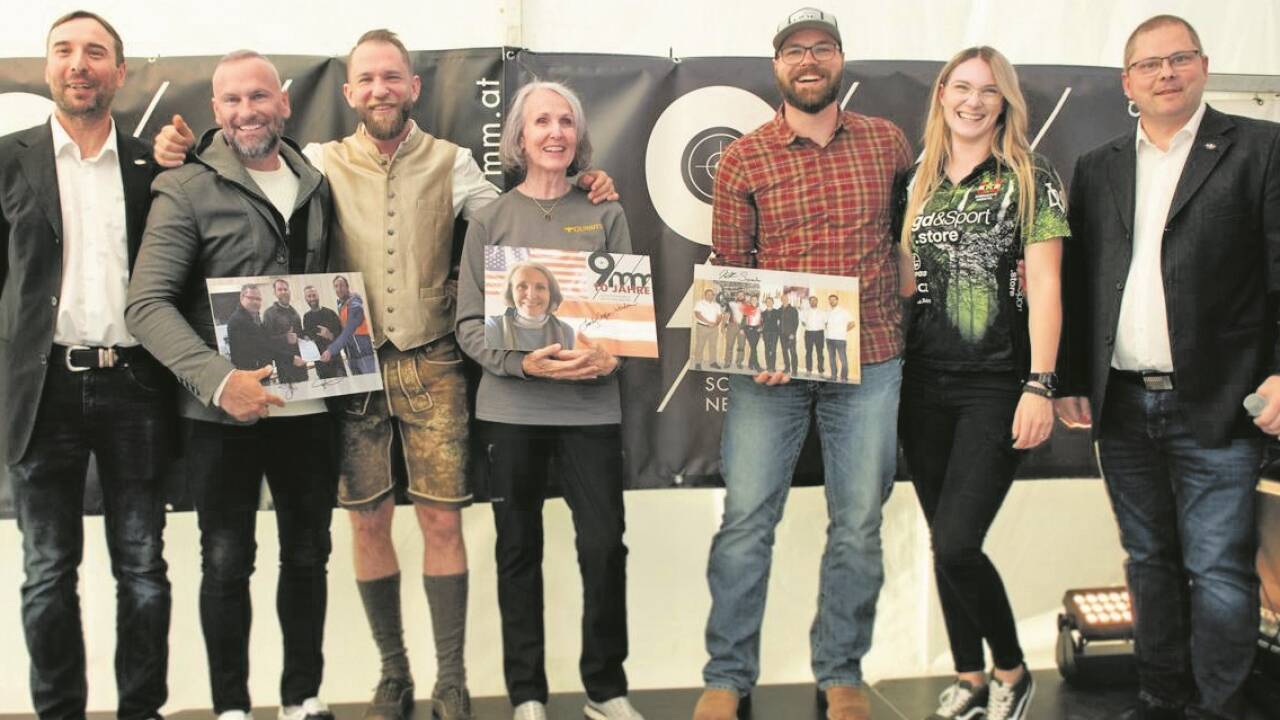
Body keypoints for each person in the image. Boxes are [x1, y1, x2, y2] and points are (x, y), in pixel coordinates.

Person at [150, 28, 618, 720]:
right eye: (366, 80)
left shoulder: (455, 161)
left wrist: (580, 184)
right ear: (347, 93)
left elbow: (521, 225)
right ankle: (393, 673)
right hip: (350, 369)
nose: (379, 91)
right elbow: (240, 167)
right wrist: (178, 152)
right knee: (366, 523)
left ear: (414, 87)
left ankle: (451, 681)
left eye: (391, 78)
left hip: (434, 359)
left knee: (441, 522)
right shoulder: (315, 162)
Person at [1057, 14, 1280, 720]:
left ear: (1204, 66)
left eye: (1178, 59)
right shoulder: (1098, 166)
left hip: (1219, 400)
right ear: (1127, 82)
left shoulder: (1261, 150)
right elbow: (1083, 280)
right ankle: (1160, 698)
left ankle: (1220, 707)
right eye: (1149, 65)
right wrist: (1068, 378)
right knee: (1148, 562)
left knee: (1216, 568)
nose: (1165, 74)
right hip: (1122, 404)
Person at [694, 8, 912, 720]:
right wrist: (760, 347)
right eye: (795, 51)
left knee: (858, 524)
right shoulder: (744, 157)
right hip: (772, 373)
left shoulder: (887, 144)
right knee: (746, 521)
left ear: (842, 60)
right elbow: (732, 268)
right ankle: (727, 677)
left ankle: (840, 670)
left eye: (822, 48)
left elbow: (908, 243)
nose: (808, 60)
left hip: (872, 358)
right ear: (777, 67)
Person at [126, 50, 337, 720]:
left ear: (284, 101)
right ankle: (231, 709)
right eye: (231, 101)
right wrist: (220, 384)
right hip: (222, 419)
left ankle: (302, 697)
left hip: (309, 408)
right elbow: (145, 305)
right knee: (226, 565)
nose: (246, 111)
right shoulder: (184, 187)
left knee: (308, 558)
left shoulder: (314, 179)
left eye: (258, 97)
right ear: (215, 112)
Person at [0, 11, 171, 720]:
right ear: (46, 69)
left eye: (95, 52)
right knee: (46, 576)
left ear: (119, 73)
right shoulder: (8, 159)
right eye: (64, 51)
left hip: (134, 385)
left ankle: (141, 711)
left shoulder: (150, 169)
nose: (79, 64)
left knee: (143, 573)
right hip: (42, 390)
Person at [456, 80, 643, 720]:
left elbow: (625, 312)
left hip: (591, 410)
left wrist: (613, 353)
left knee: (603, 546)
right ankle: (528, 694)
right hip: (511, 412)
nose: (555, 132)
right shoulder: (489, 219)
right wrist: (519, 361)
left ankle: (604, 688)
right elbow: (468, 327)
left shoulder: (605, 212)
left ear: (578, 136)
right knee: (517, 551)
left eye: (566, 121)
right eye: (542, 122)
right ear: (519, 137)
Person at [896, 46, 1066, 720]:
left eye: (988, 91)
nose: (972, 101)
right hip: (920, 384)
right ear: (942, 94)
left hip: (997, 385)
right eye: (961, 87)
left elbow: (1048, 284)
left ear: (1005, 103)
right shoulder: (915, 179)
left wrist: (1041, 383)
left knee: (959, 540)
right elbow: (906, 281)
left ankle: (1012, 671)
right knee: (944, 541)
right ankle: (970, 677)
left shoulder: (1031, 176)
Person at [485, 262, 577, 351]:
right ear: (511, 292)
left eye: (540, 287)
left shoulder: (566, 332)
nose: (531, 295)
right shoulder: (492, 327)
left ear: (551, 294)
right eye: (522, 286)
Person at [323, 274, 376, 375]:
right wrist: (331, 335)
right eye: (336, 286)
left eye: (342, 285)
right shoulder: (341, 305)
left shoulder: (355, 305)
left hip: (363, 354)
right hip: (351, 356)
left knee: (370, 383)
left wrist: (331, 350)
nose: (339, 288)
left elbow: (349, 329)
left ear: (347, 287)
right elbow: (343, 331)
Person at [263, 277, 309, 383]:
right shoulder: (269, 314)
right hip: (285, 368)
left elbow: (299, 335)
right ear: (275, 293)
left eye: (285, 289)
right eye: (280, 289)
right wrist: (285, 338)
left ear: (289, 291)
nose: (283, 292)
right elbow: (267, 342)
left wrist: (306, 337)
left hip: (302, 366)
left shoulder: (294, 312)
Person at [302, 284, 347, 379]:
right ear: (305, 299)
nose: (312, 298)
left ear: (318, 295)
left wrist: (330, 335)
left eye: (314, 295)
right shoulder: (306, 318)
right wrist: (306, 338)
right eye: (309, 296)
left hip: (336, 362)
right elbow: (308, 336)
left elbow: (342, 337)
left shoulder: (330, 313)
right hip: (320, 365)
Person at [226, 283, 273, 373]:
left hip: (262, 371)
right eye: (251, 298)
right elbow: (260, 347)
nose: (255, 302)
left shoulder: (254, 317)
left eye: (258, 299)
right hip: (251, 375)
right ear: (241, 298)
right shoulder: (238, 320)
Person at [824, 294, 854, 382]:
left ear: (837, 301)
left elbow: (852, 323)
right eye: (830, 300)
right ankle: (833, 376)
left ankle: (844, 377)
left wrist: (844, 331)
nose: (832, 301)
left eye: (833, 300)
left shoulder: (843, 311)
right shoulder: (828, 312)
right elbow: (826, 323)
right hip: (829, 339)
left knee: (843, 359)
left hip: (840, 339)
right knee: (831, 358)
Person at [693, 287, 723, 369]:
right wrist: (708, 322)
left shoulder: (716, 305)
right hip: (702, 328)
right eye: (708, 294)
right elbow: (697, 314)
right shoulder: (700, 303)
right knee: (700, 345)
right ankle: (698, 363)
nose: (710, 296)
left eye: (711, 294)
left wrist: (716, 323)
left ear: (713, 296)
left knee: (713, 346)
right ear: (705, 295)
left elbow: (720, 316)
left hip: (714, 328)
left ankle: (712, 362)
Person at [800, 295, 827, 376]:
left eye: (814, 300)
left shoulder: (822, 312)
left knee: (820, 353)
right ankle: (808, 370)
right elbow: (803, 322)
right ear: (809, 302)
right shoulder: (805, 311)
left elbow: (826, 322)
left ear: (817, 302)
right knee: (808, 352)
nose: (813, 302)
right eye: (811, 301)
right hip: (809, 333)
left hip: (819, 333)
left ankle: (821, 371)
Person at [722, 291, 747, 369]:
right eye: (739, 295)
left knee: (741, 346)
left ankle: (739, 362)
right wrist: (723, 326)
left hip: (742, 327)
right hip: (732, 325)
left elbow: (748, 318)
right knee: (729, 345)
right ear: (736, 296)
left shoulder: (747, 305)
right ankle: (727, 362)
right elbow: (726, 315)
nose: (740, 296)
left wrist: (744, 328)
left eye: (742, 295)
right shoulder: (731, 304)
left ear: (744, 296)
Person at [779, 294, 800, 375]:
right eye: (783, 299)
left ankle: (794, 370)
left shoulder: (793, 310)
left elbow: (796, 323)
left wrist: (793, 333)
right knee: (784, 352)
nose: (784, 300)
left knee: (793, 352)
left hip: (790, 335)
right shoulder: (779, 310)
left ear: (788, 300)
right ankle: (787, 368)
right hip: (782, 334)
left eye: (785, 299)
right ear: (781, 300)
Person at [740, 294, 762, 372]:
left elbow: (761, 320)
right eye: (752, 299)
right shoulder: (747, 308)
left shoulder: (759, 309)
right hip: (749, 329)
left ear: (757, 300)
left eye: (755, 299)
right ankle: (757, 365)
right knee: (753, 348)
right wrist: (742, 328)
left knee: (753, 348)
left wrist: (761, 327)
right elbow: (744, 319)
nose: (754, 301)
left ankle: (750, 364)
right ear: (750, 300)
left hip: (757, 330)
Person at [760, 296, 781, 372]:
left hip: (774, 333)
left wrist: (778, 332)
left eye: (770, 301)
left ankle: (773, 367)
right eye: (767, 301)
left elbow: (780, 322)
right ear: (766, 303)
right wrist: (761, 333)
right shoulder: (763, 313)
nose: (769, 303)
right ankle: (768, 366)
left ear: (773, 302)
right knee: (767, 349)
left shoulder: (777, 312)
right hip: (766, 333)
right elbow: (761, 324)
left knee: (773, 350)